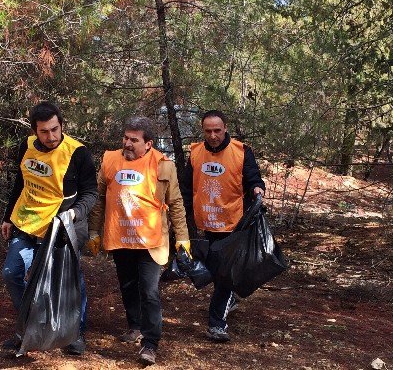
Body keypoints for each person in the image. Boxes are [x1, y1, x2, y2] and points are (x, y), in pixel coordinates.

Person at [87, 116, 190, 365]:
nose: (128, 143)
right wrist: (93, 232)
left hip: (151, 241)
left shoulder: (163, 165)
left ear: (149, 144)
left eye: (134, 140)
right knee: (127, 286)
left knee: (150, 291)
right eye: (126, 138)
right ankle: (135, 325)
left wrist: (183, 238)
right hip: (120, 237)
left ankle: (150, 343)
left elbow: (175, 203)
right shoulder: (110, 160)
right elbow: (99, 199)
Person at [0, 101, 98, 355]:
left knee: (70, 281)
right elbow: (21, 182)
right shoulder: (27, 146)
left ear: (61, 125)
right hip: (27, 222)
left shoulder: (78, 152)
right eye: (44, 131)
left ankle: (74, 334)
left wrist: (76, 213)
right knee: (12, 273)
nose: (51, 136)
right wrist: (8, 217)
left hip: (62, 227)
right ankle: (28, 326)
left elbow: (90, 193)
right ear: (35, 131)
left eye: (55, 129)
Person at [180, 109, 265, 343]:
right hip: (205, 224)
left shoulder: (240, 151)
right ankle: (229, 298)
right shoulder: (196, 153)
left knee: (224, 275)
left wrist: (258, 189)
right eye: (208, 131)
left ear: (225, 128)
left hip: (232, 223)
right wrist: (180, 216)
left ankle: (217, 324)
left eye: (217, 130)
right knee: (215, 273)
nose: (213, 135)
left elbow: (253, 178)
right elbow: (187, 186)